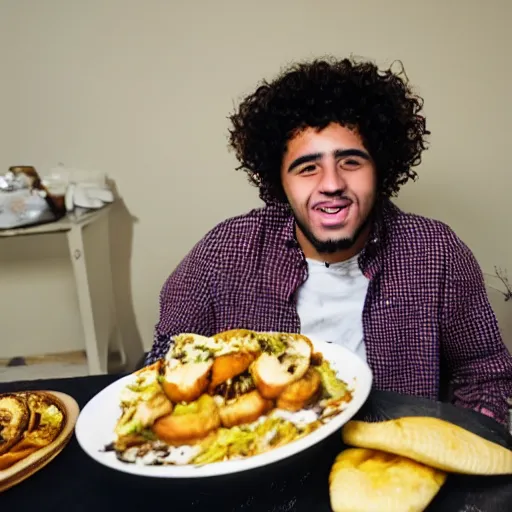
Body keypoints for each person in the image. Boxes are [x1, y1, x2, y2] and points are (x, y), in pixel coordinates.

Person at [146, 57, 512, 425]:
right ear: (280, 182)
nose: (332, 183)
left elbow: (487, 377)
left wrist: (453, 451)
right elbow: (164, 362)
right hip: (260, 461)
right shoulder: (223, 252)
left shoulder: (436, 252)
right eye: (307, 168)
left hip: (386, 464)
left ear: (380, 168)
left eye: (351, 162)